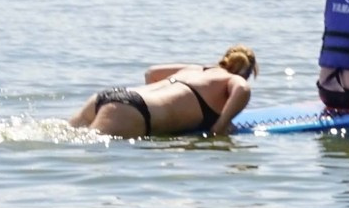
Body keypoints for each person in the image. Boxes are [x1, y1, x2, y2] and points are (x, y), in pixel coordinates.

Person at [69, 45, 257, 138]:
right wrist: (222, 125)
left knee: (65, 141)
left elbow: (151, 73)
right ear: (247, 72)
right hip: (132, 112)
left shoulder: (195, 69)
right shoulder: (235, 80)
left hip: (109, 96)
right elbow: (242, 88)